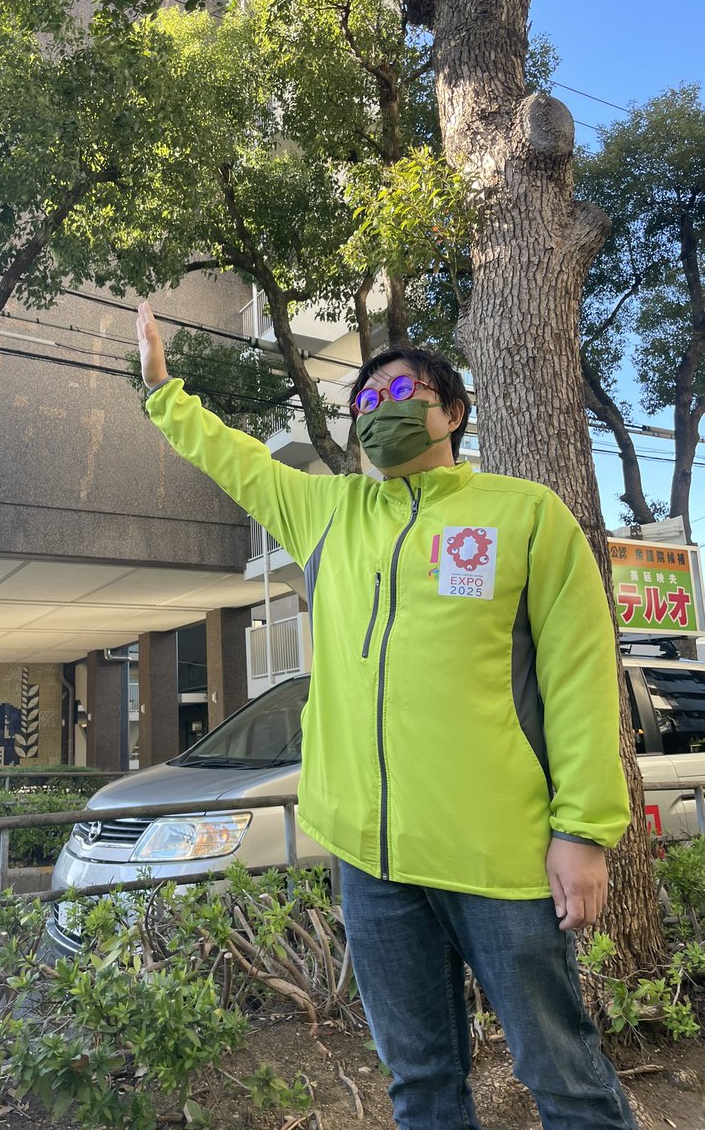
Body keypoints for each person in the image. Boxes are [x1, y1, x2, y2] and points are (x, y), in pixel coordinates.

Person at [135, 299, 636, 1130]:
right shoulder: (329, 514)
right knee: (420, 1085)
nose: (379, 408)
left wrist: (583, 831)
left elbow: (581, 679)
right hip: (371, 862)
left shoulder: (526, 514)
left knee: (565, 1081)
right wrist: (163, 391)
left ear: (453, 411)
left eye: (401, 392)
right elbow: (234, 458)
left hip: (499, 858)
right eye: (365, 401)